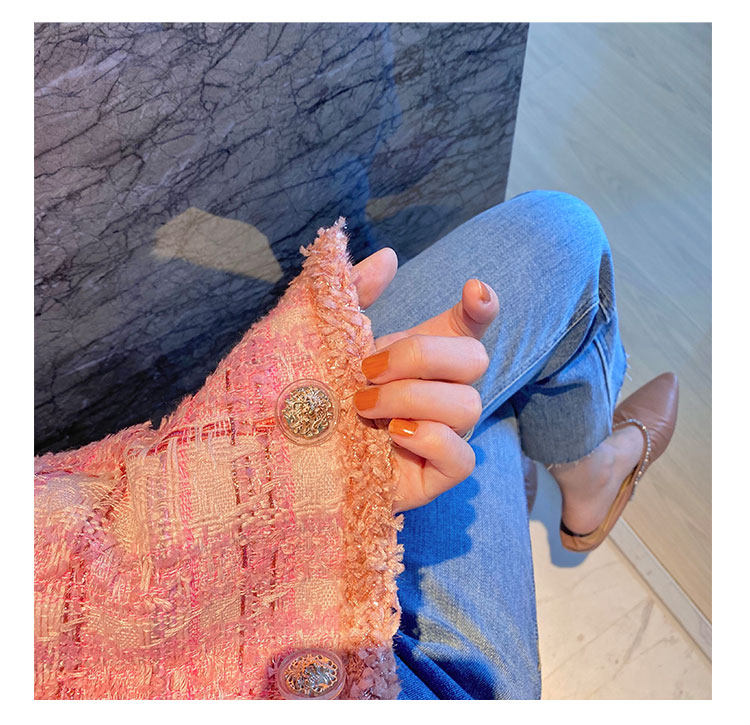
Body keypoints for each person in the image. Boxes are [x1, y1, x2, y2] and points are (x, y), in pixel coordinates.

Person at [34, 189, 678, 700]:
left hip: (124, 529)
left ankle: (546, 461)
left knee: (459, 385)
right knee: (558, 246)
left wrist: (254, 473)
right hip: (396, 683)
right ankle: (588, 471)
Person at [356, 189, 678, 699]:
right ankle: (589, 471)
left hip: (236, 500)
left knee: (553, 245)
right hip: (420, 678)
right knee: (562, 248)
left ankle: (558, 466)